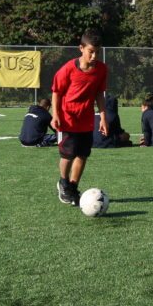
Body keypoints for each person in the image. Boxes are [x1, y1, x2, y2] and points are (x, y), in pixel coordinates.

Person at [51, 29, 109, 206]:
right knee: (68, 154)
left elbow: (100, 93)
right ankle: (63, 182)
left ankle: (73, 187)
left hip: (86, 118)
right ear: (81, 49)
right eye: (91, 51)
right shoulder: (68, 69)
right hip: (68, 117)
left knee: (83, 154)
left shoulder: (102, 70)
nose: (94, 56)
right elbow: (56, 92)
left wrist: (103, 118)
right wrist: (55, 115)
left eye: (97, 52)